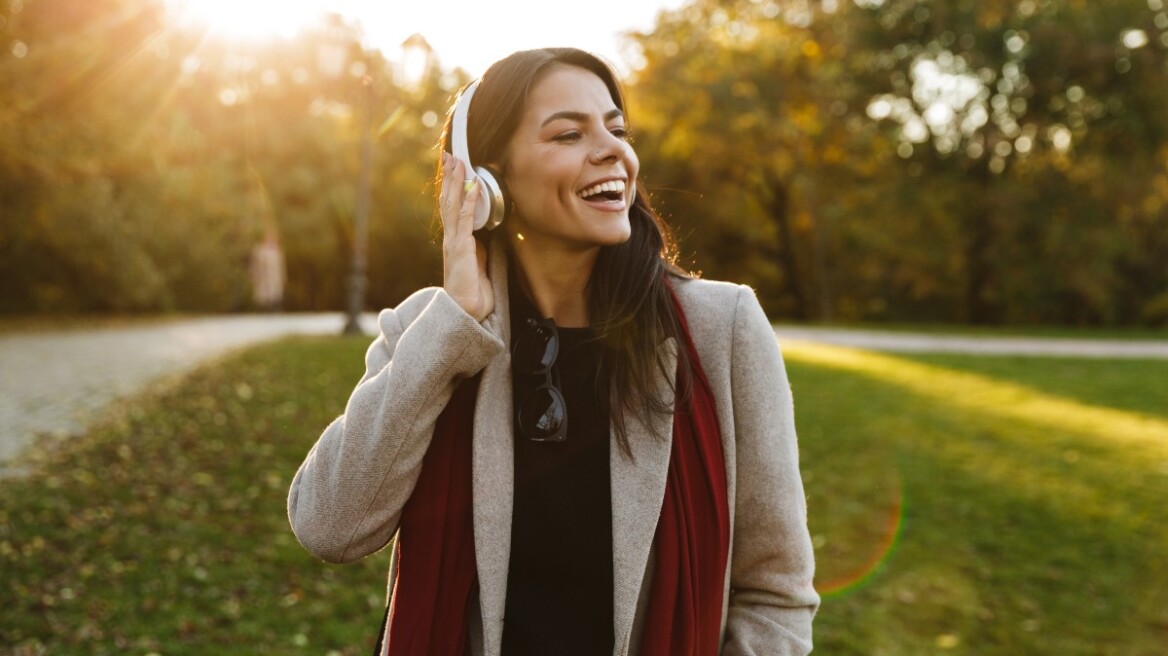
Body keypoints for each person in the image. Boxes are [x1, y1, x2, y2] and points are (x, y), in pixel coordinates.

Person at [287, 47, 819, 656]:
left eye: (617, 129)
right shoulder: (429, 332)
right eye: (569, 133)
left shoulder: (722, 328)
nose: (612, 149)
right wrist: (455, 324)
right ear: (488, 181)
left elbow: (776, 594)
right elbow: (329, 525)